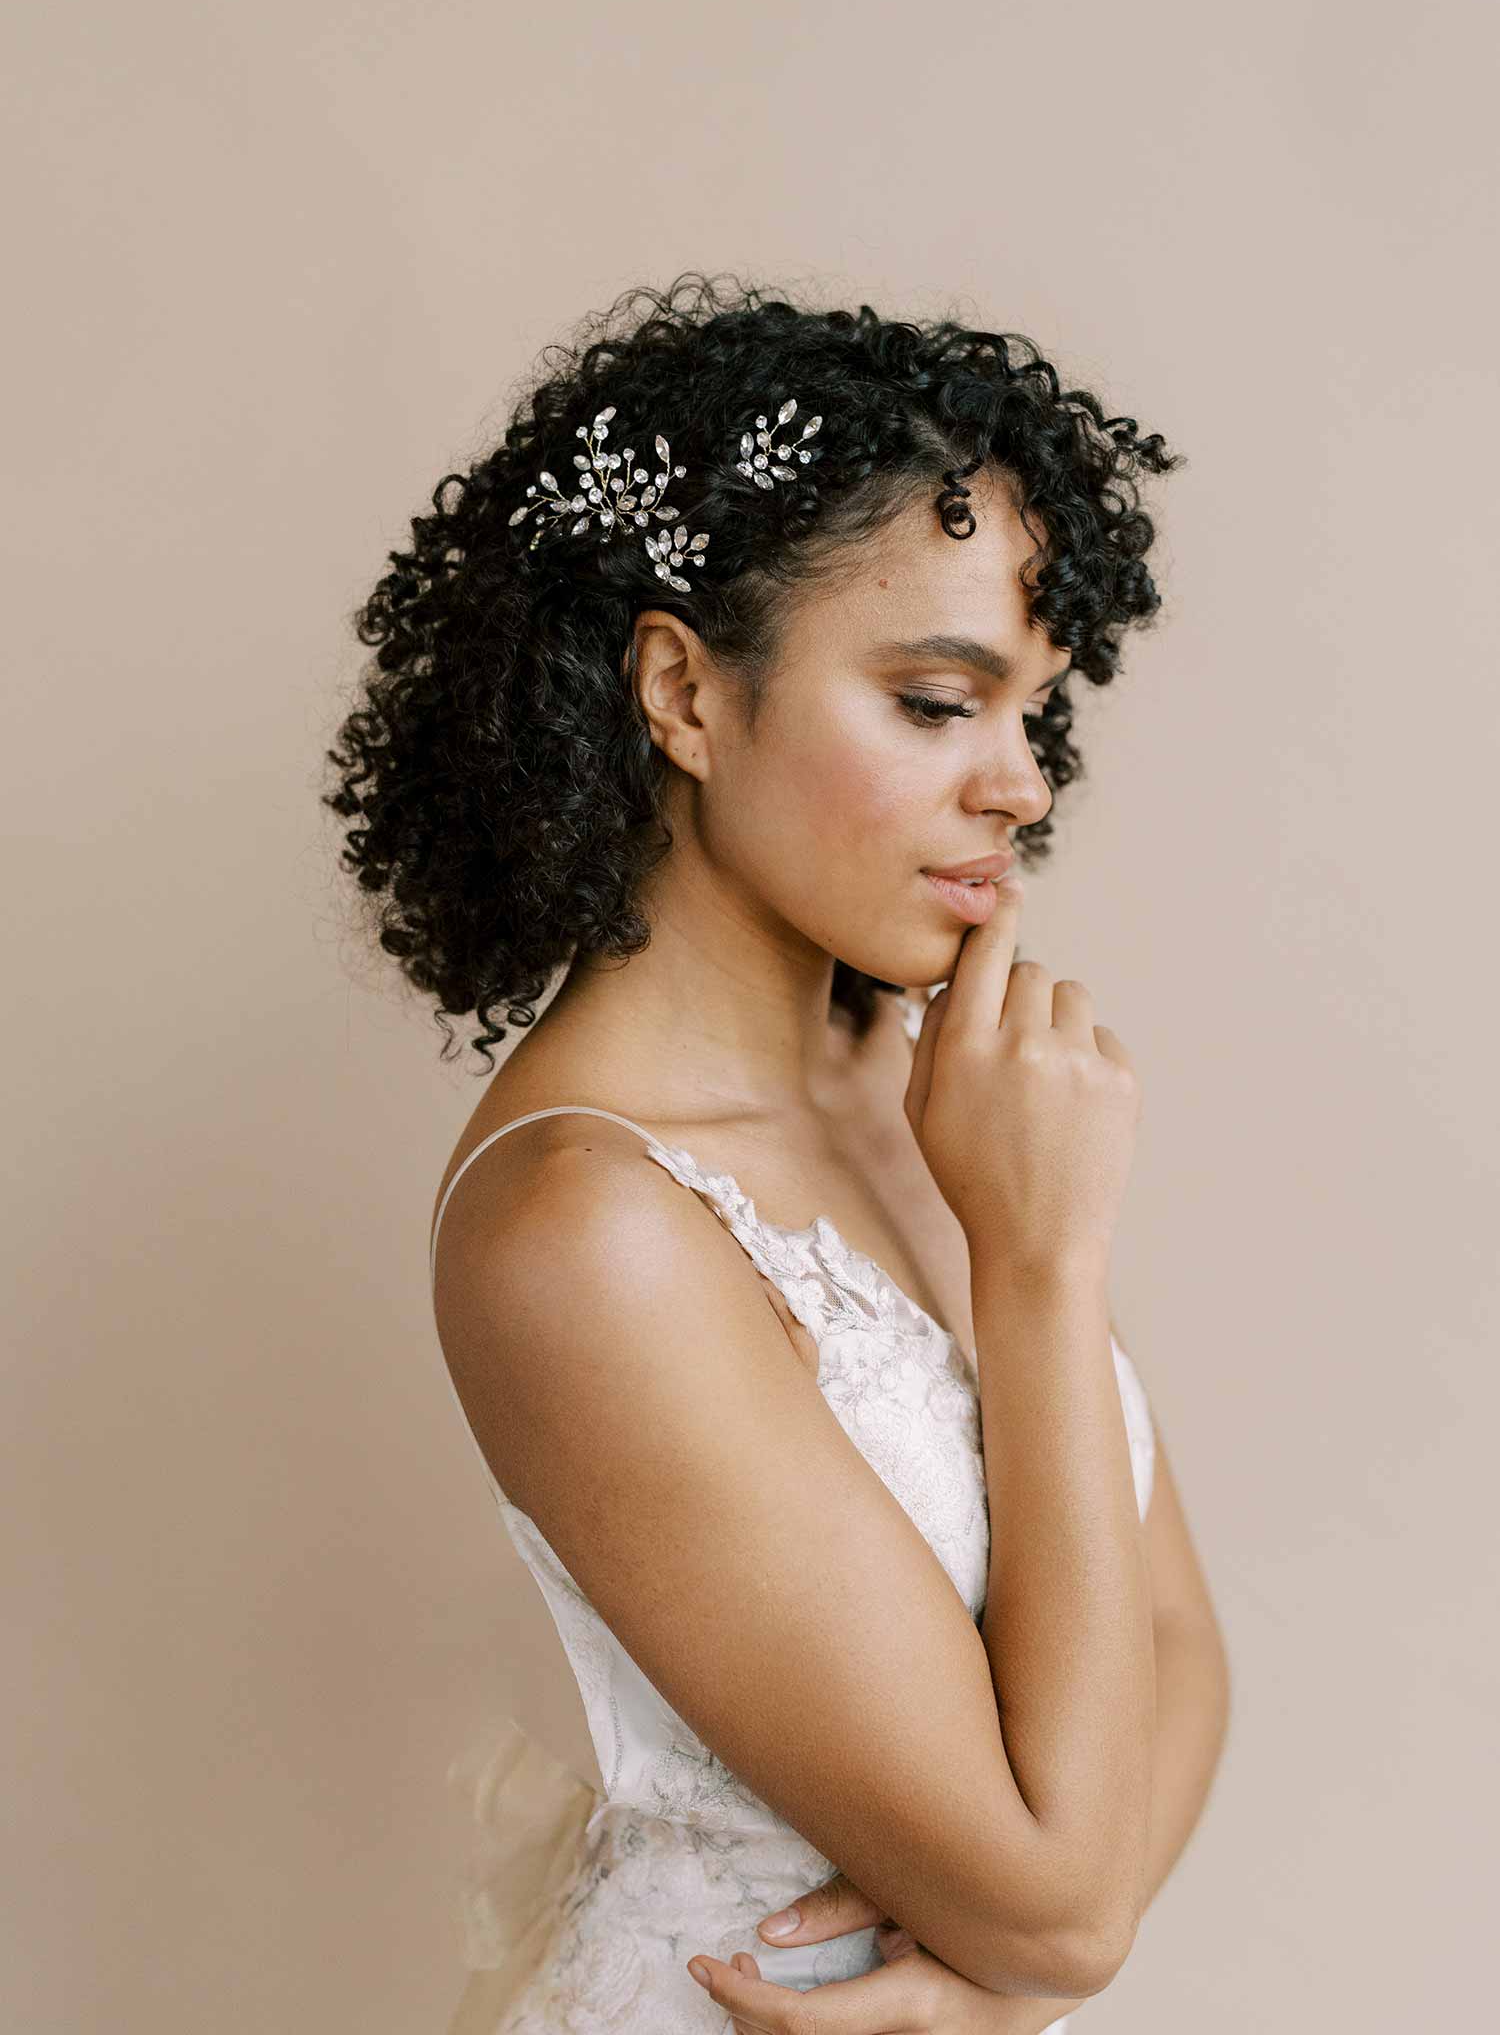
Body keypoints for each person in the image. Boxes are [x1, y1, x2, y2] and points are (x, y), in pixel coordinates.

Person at [323, 271, 1229, 2033]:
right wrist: (1038, 1270)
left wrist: (1000, 1997)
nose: (1024, 784)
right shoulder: (583, 1225)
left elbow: (1173, 1659)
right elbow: (1058, 1900)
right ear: (681, 692)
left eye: (1033, 710)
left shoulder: (931, 1093)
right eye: (935, 701)